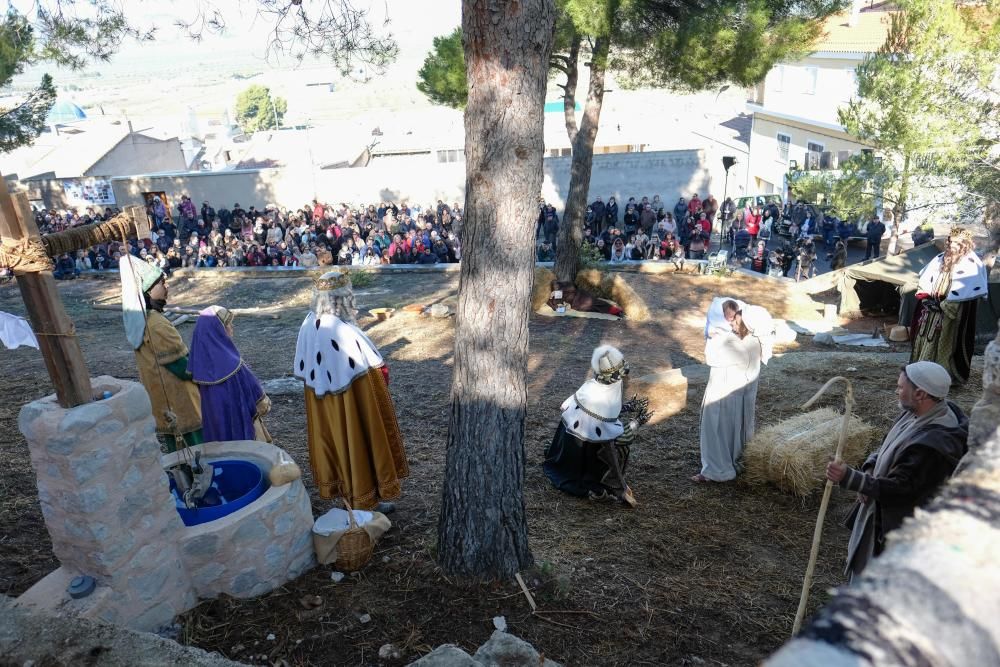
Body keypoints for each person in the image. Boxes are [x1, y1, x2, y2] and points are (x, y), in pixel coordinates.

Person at [825, 362, 968, 581]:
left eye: (901, 387)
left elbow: (901, 489)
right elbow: (886, 446)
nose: (896, 391)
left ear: (920, 393)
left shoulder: (933, 445)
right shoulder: (917, 413)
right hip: (881, 513)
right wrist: (870, 470)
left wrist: (851, 478)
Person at [294, 269, 408, 509]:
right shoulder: (341, 330)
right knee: (355, 442)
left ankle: (349, 496)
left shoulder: (307, 323)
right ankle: (364, 502)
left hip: (321, 403)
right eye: (349, 296)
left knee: (337, 442)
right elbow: (372, 370)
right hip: (350, 400)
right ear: (342, 299)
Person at [543, 345, 650, 507]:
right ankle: (596, 481)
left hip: (566, 452)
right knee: (623, 443)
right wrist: (636, 423)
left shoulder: (589, 386)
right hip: (583, 462)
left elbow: (591, 414)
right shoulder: (605, 398)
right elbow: (611, 445)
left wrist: (625, 407)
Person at [119, 255, 203, 453]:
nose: (167, 287)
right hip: (179, 398)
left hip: (161, 399)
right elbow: (181, 367)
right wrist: (206, 371)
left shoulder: (144, 322)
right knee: (196, 450)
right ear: (147, 291)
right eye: (162, 283)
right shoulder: (155, 323)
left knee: (177, 450)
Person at [693, 299, 773, 483]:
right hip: (740, 397)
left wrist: (715, 337)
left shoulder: (738, 343)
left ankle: (716, 470)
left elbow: (711, 356)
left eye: (736, 322)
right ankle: (734, 462)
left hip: (724, 396)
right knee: (736, 432)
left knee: (716, 431)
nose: (731, 324)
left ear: (747, 325)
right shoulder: (755, 341)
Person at [910, 227, 986, 382]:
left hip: (950, 314)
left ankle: (941, 378)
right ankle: (922, 373)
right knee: (927, 339)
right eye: (950, 241)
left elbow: (967, 292)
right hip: (932, 310)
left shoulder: (972, 263)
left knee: (944, 344)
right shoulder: (939, 258)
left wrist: (945, 306)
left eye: (956, 242)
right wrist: (926, 299)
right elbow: (926, 280)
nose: (952, 245)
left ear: (965, 244)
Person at [188, 305, 272, 443]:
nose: (231, 328)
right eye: (227, 324)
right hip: (240, 421)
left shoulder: (199, 366)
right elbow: (256, 394)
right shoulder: (232, 363)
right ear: (218, 330)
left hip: (214, 426)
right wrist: (264, 403)